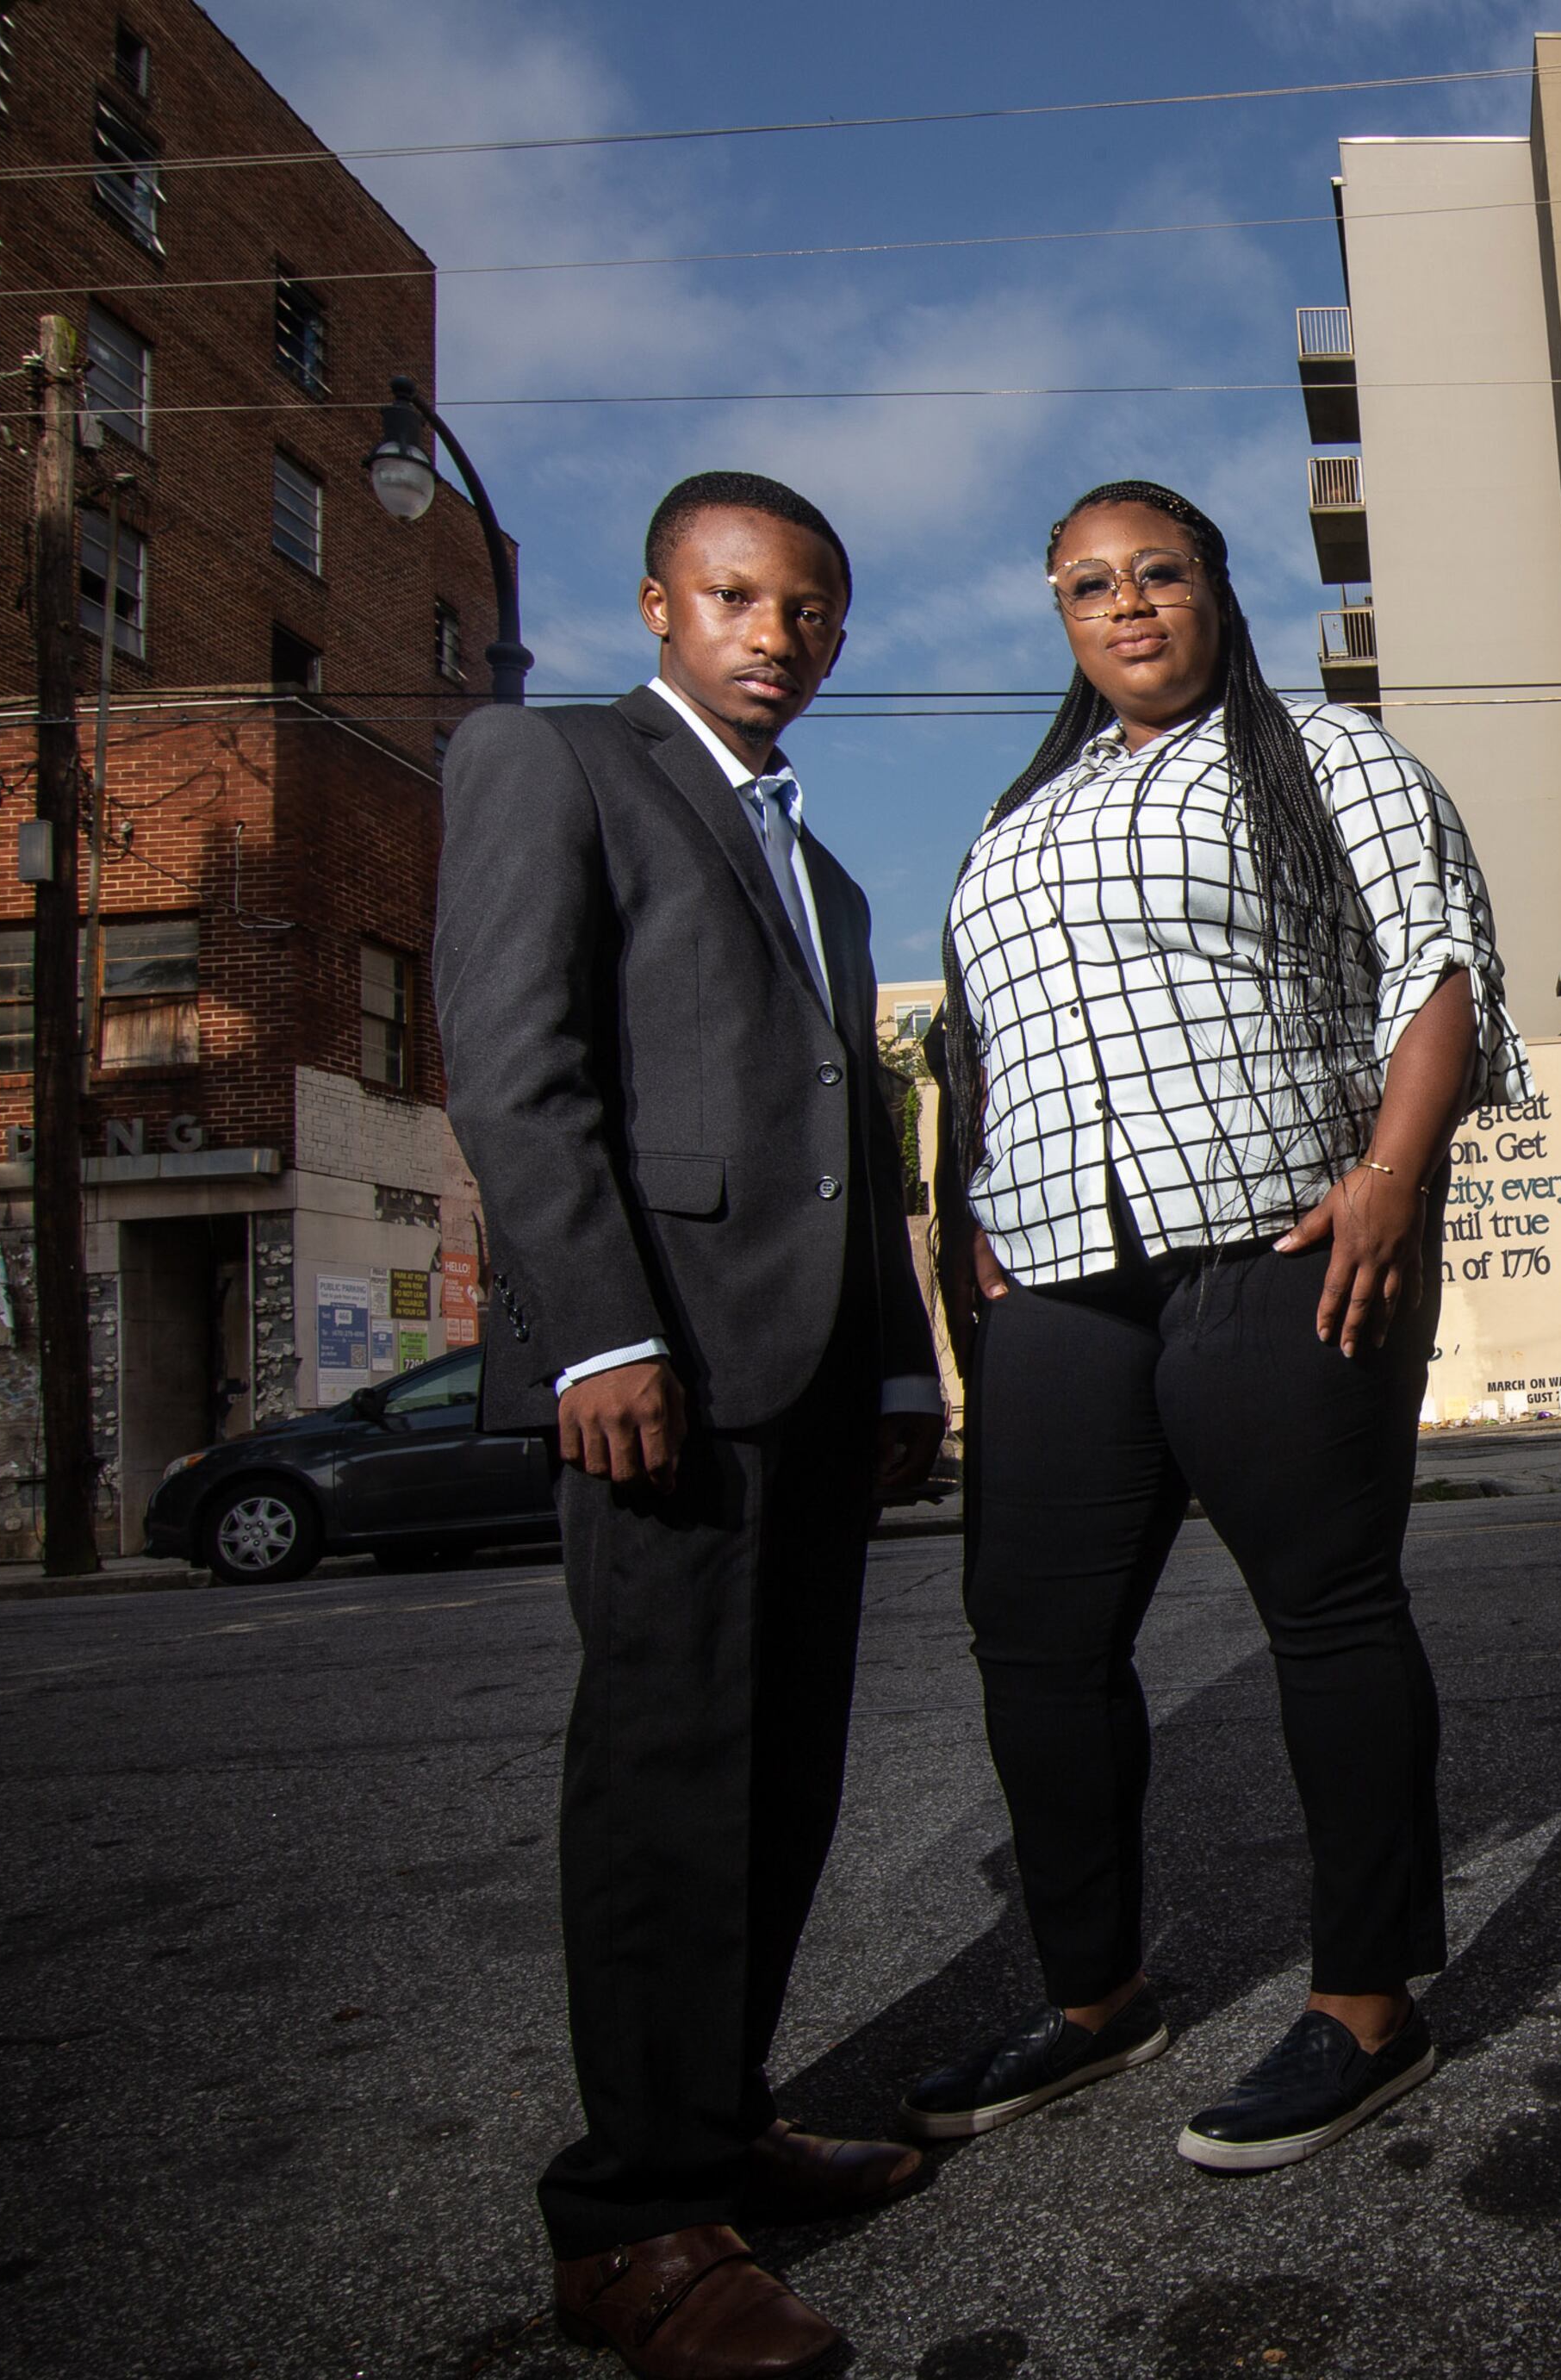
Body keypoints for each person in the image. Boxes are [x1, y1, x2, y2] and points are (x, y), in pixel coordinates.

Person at [905, 478, 1525, 2174]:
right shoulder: (1020, 818)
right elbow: (975, 1046)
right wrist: (973, 1222)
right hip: (1054, 1274)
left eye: (1157, 573)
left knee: (1325, 1615)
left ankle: (1367, 2005)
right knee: (1033, 1643)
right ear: (1062, 614)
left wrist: (1396, 1172)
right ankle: (1096, 1994)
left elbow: (1439, 964)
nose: (1126, 607)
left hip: (1274, 1238)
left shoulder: (1331, 758)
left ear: (1211, 588)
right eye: (1089, 586)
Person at [438, 471, 944, 2379]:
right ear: (658, 607)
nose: (776, 634)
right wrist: (596, 1338)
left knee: (784, 1768)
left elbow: (858, 1139)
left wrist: (899, 1366)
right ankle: (633, 2224)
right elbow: (515, 1069)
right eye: (736, 597)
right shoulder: (548, 764)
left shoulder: (823, 870)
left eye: (810, 608)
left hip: (814, 1374)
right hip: (658, 1368)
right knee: (666, 1781)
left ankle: (720, 2125)